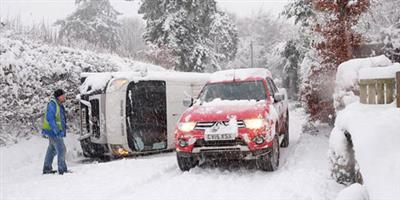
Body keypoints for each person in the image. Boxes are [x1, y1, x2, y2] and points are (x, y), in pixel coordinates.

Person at [42, 89, 69, 175]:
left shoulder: (58, 104)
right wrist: (56, 130)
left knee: (52, 150)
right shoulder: (53, 104)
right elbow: (50, 118)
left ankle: (47, 168)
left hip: (52, 131)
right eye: (63, 95)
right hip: (54, 131)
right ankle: (62, 169)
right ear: (59, 96)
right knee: (61, 150)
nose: (64, 97)